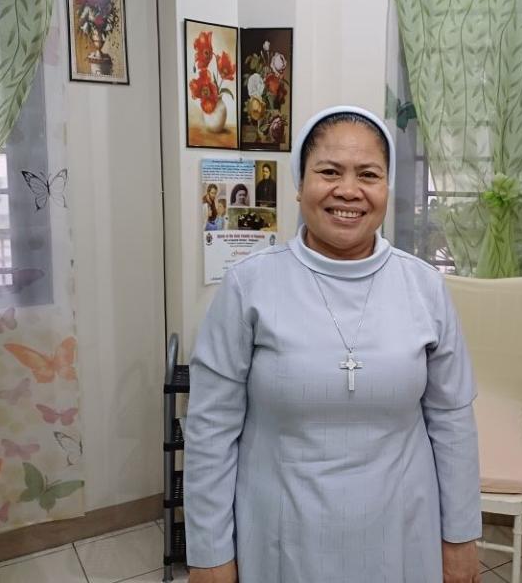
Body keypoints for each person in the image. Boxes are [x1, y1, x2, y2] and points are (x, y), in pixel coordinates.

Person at [185, 105, 482, 583]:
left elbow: (452, 424)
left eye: (368, 174)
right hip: (280, 532)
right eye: (329, 172)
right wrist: (209, 553)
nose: (349, 190)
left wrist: (461, 538)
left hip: (402, 531)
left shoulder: (424, 287)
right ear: (299, 185)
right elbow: (210, 431)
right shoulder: (249, 286)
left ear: (387, 188)